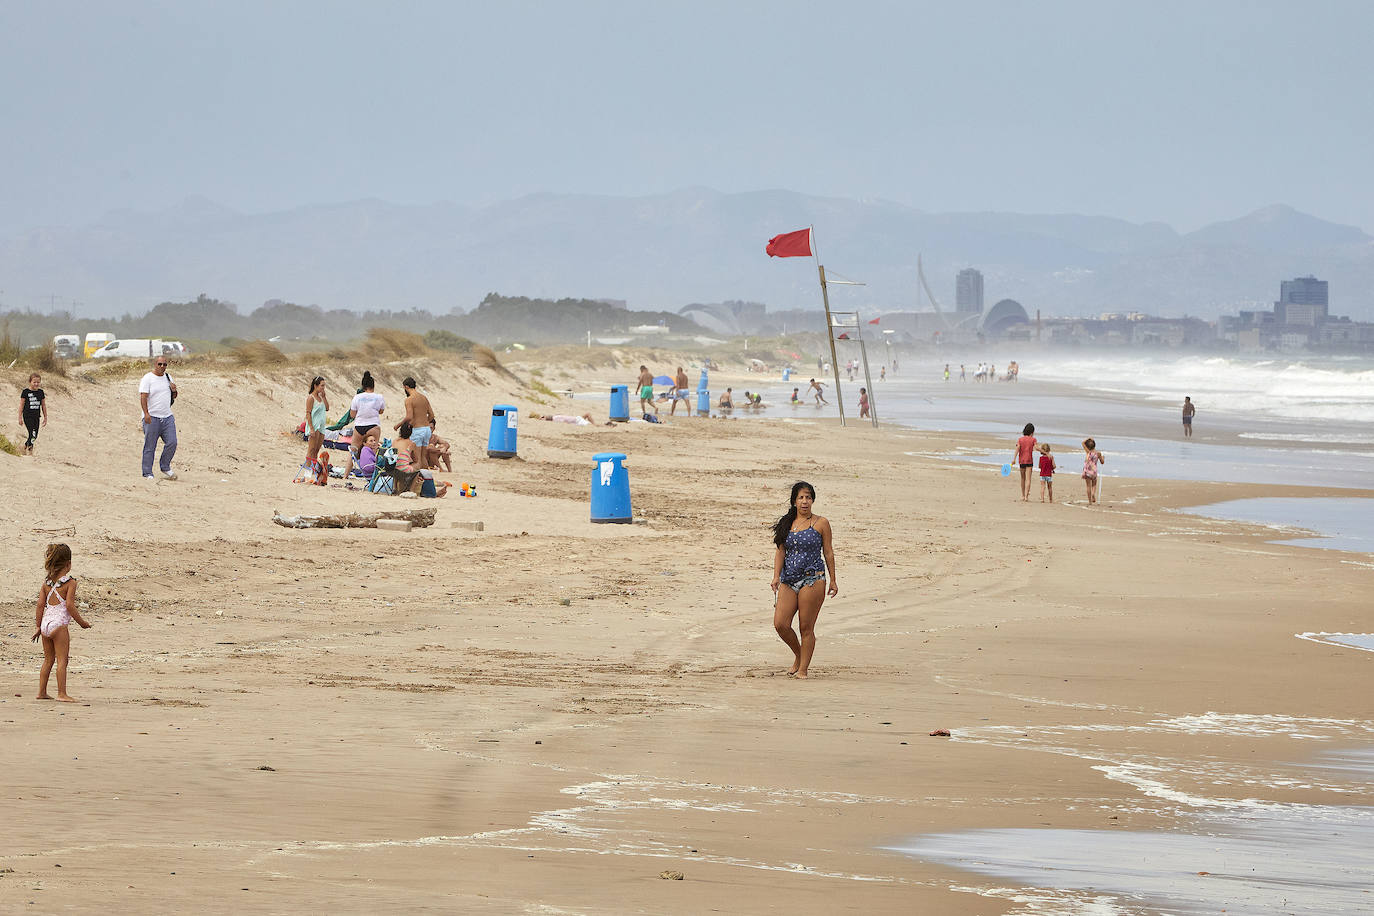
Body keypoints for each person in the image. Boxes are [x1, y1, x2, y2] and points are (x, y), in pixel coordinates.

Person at [769, 481, 837, 680]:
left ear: (813, 500)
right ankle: (799, 654)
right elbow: (780, 552)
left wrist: (833, 580)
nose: (805, 501)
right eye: (801, 497)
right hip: (789, 580)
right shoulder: (786, 523)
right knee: (780, 624)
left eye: (808, 497)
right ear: (794, 501)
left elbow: (829, 553)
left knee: (805, 627)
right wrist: (775, 576)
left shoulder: (821, 523)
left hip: (813, 579)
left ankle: (803, 669)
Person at [33, 543, 91, 702]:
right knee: (62, 660)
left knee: (48, 660)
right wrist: (81, 622)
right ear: (68, 564)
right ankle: (61, 693)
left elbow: (39, 605)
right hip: (59, 625)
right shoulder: (70, 583)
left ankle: (42, 692)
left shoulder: (47, 583)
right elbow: (70, 605)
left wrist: (38, 626)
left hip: (45, 624)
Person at [138, 354, 178, 481]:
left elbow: (174, 395)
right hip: (152, 417)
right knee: (150, 446)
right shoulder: (147, 378)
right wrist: (146, 414)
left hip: (167, 416)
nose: (162, 367)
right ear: (155, 364)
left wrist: (174, 390)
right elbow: (143, 397)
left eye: (165, 364)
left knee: (172, 442)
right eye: (160, 364)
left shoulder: (168, 377)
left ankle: (165, 466)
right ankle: (147, 472)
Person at [345, 371, 385, 477]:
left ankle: (345, 475)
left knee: (353, 450)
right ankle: (375, 475)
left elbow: (352, 414)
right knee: (374, 449)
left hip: (359, 426)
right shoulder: (379, 397)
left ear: (363, 386)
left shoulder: (357, 397)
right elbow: (381, 411)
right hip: (373, 425)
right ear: (373, 386)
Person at [396, 377, 437, 461]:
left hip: (417, 430)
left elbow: (409, 416)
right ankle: (424, 474)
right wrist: (424, 422)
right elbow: (432, 415)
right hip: (426, 430)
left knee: (416, 459)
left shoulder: (409, 400)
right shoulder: (424, 397)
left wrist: (398, 425)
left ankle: (418, 474)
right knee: (423, 457)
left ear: (406, 387)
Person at [304, 376, 329, 465]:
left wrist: (324, 397)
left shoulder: (321, 397)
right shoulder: (311, 398)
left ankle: (313, 468)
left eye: (324, 386)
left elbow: (327, 408)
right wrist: (311, 428)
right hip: (314, 425)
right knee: (311, 449)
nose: (323, 388)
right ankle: (308, 471)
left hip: (321, 425)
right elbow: (308, 413)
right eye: (322, 386)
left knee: (316, 450)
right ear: (315, 386)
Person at [19, 372, 46, 455]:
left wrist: (45, 417)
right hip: (27, 416)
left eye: (38, 382)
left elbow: (43, 405)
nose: (36, 384)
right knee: (32, 434)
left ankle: (25, 446)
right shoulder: (25, 392)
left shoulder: (41, 392)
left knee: (35, 436)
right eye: (34, 382)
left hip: (36, 417)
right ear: (30, 382)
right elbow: (21, 405)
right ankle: (30, 451)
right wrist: (20, 417)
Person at [1013, 423, 1038, 501]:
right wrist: (1045, 452)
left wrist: (1014, 459)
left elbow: (1017, 448)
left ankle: (1023, 495)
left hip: (1022, 461)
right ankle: (1027, 497)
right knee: (1028, 479)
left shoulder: (1020, 439)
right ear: (1032, 432)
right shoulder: (1033, 439)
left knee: (1023, 478)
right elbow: (1037, 448)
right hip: (1029, 461)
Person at [1082, 437, 1106, 504]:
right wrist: (1103, 458)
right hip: (1093, 471)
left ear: (1087, 446)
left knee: (1088, 486)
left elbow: (1082, 443)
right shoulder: (1098, 453)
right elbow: (1102, 462)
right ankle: (1093, 493)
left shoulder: (1088, 452)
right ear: (1095, 445)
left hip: (1087, 470)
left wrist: (1088, 438)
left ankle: (1090, 501)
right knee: (1094, 484)